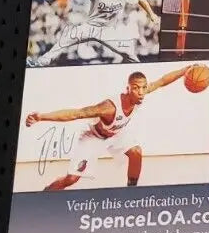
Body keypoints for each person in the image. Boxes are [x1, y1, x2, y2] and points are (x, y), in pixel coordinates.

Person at [25, 66, 192, 190]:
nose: (141, 92)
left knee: (136, 152)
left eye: (143, 87)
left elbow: (162, 81)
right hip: (94, 136)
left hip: (116, 134)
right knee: (72, 179)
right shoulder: (109, 107)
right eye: (136, 88)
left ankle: (131, 191)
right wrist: (41, 117)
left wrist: (185, 70)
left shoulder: (141, 94)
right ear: (128, 89)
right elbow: (76, 113)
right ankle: (46, 193)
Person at [28, 0, 157, 66]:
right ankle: (40, 63)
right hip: (90, 28)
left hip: (107, 31)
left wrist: (151, 14)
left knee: (128, 53)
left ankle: (140, 69)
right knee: (64, 40)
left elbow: (141, 0)